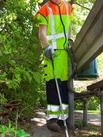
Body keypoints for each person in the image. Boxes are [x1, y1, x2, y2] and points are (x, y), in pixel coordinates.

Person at [34, 0, 73, 132]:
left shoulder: (68, 7)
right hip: (52, 52)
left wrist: (71, 39)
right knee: (53, 82)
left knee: (64, 83)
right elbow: (42, 32)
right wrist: (46, 47)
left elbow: (69, 26)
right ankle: (52, 119)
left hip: (64, 52)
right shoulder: (45, 9)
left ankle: (64, 118)